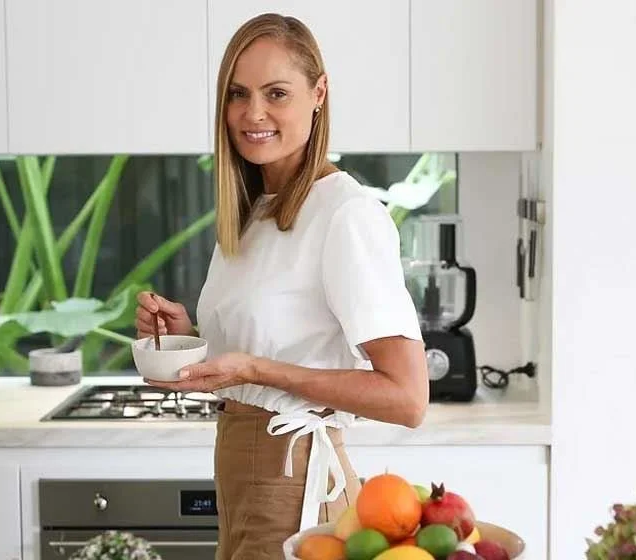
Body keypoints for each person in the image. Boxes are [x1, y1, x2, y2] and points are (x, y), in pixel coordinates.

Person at [134, 12, 429, 559]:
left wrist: (253, 368)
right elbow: (272, 346)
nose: (254, 114)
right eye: (238, 94)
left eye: (277, 93)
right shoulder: (254, 213)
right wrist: (191, 338)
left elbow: (408, 398)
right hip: (242, 472)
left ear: (319, 94)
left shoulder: (345, 214)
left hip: (293, 481)